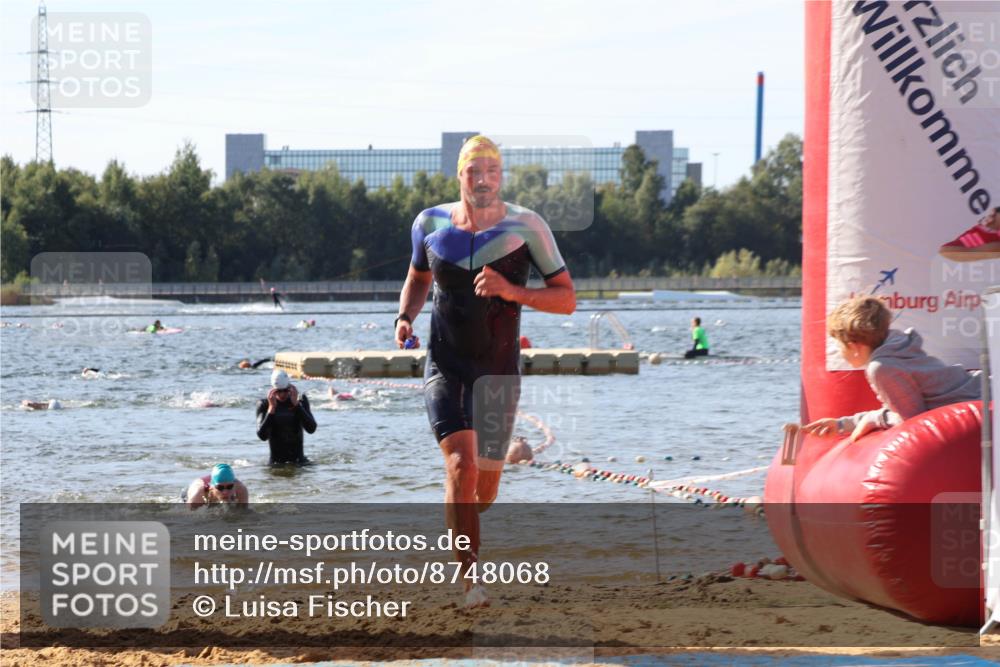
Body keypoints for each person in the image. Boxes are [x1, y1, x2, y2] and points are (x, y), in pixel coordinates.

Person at [394, 134, 575, 607]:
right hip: (445, 364)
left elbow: (566, 299)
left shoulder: (527, 227)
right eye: (474, 171)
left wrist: (512, 291)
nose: (483, 179)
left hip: (497, 372)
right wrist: (404, 317)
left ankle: (461, 517)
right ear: (460, 176)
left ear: (501, 176)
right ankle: (471, 583)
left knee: (484, 489)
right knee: (461, 464)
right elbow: (418, 276)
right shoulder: (429, 224)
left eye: (492, 171)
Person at [802, 296, 981, 442]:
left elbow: (912, 421)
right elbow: (900, 410)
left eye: (838, 344)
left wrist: (871, 419)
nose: (838, 350)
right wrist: (842, 425)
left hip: (985, 397)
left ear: (854, 346)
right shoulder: (895, 347)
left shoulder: (882, 368)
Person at [256, 369, 316, 465]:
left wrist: (296, 405)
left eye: (285, 390)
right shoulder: (264, 404)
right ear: (273, 389)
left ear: (289, 387)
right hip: (276, 464)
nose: (282, 394)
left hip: (299, 463)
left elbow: (311, 429)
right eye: (278, 391)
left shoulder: (300, 401)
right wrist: (271, 409)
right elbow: (262, 436)